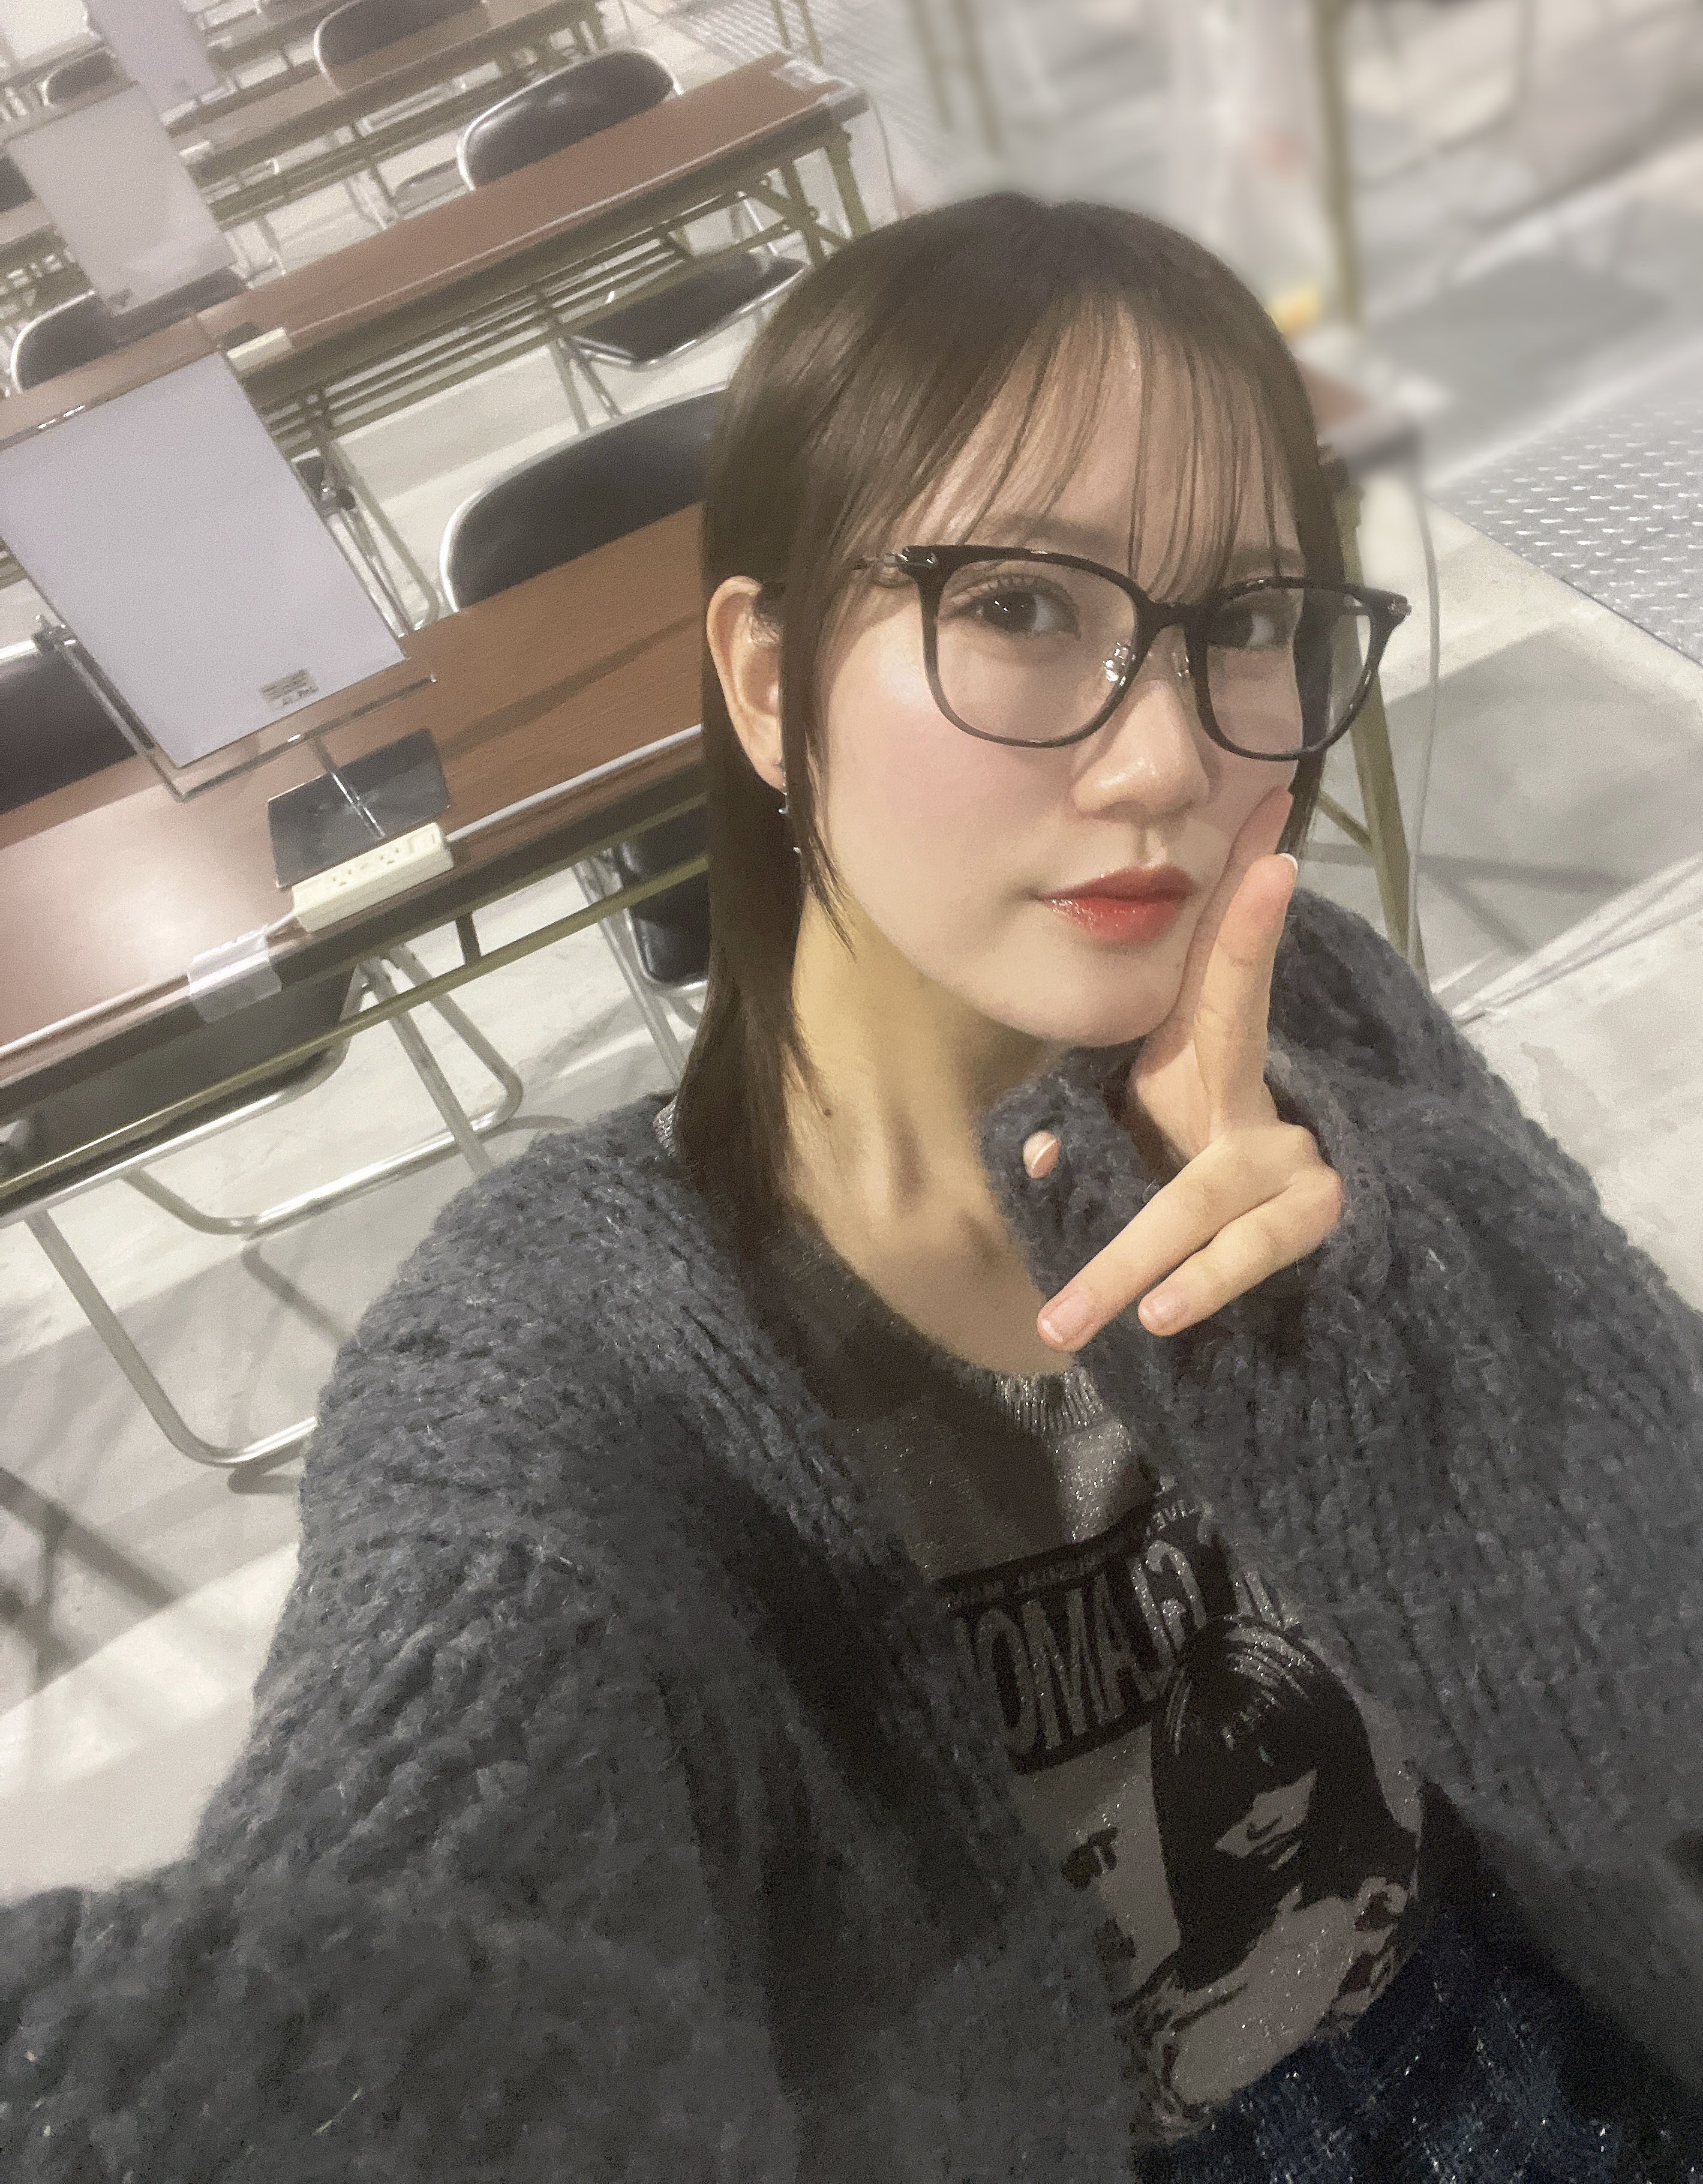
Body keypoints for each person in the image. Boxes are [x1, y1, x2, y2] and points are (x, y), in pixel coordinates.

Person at [4, 191, 1703, 2182]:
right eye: (1021, 607)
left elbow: (1653, 1676)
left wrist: (1407, 1297)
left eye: (1250, 621)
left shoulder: (1312, 1011)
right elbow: (405, 1923)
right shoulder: (560, 1379)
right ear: (765, 674)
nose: (1167, 759)